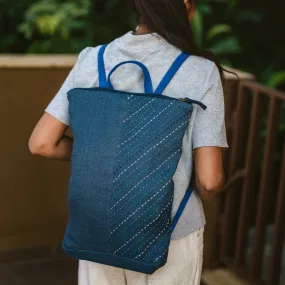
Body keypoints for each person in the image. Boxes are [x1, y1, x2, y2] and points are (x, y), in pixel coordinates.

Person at [29, 0, 228, 284]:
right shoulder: (200, 70)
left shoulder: (92, 59)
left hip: (96, 232)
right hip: (173, 233)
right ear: (185, 5)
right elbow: (209, 180)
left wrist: (103, 151)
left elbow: (42, 143)